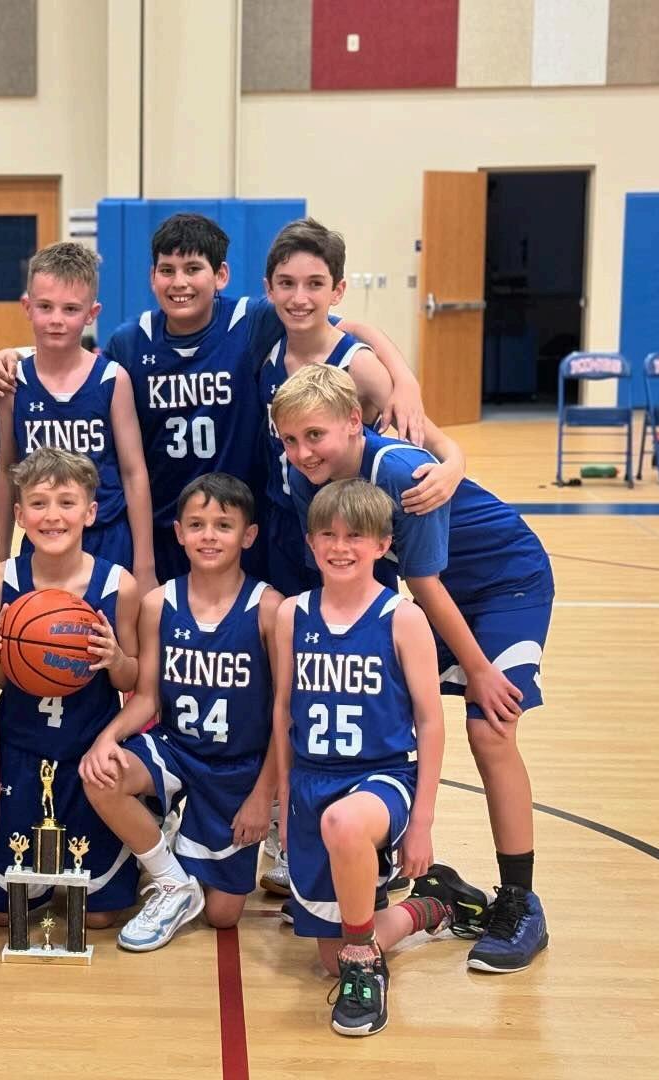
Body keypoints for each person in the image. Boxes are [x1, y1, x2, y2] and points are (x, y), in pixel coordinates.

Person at [274, 364, 554, 973]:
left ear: (354, 423)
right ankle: (413, 885)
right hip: (433, 597)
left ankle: (519, 901)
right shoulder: (305, 476)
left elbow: (423, 582)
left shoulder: (401, 473)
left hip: (501, 583)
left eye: (314, 436)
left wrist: (478, 670)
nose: (302, 452)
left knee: (490, 727)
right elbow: (370, 575)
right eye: (290, 440)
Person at [0, 212, 428, 582]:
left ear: (221, 275)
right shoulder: (130, 342)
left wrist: (405, 380)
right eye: (167, 270)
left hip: (242, 522)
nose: (180, 282)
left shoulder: (250, 320)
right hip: (163, 524)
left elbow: (339, 326)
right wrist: (12, 357)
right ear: (152, 277)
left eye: (193, 269)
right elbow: (75, 373)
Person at [255, 217, 466, 895]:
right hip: (313, 532)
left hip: (392, 527)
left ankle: (382, 818)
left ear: (336, 288)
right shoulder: (265, 342)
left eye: (315, 284)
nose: (299, 296)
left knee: (378, 667)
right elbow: (354, 324)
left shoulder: (359, 376)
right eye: (286, 284)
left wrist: (453, 460)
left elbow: (421, 436)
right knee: (306, 683)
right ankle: (306, 828)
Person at [272, 478, 486, 1036]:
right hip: (311, 781)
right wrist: (282, 800)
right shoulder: (292, 615)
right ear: (310, 542)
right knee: (329, 959)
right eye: (328, 535)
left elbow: (430, 721)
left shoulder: (402, 618)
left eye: (355, 536)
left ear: (383, 544)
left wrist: (423, 822)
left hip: (381, 778)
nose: (340, 547)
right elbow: (282, 712)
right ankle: (430, 907)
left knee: (344, 824)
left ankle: (366, 968)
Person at [80, 474, 280, 951]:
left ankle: (180, 841)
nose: (209, 535)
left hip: (237, 766)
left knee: (223, 915)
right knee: (101, 775)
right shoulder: (158, 604)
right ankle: (171, 880)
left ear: (248, 535)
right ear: (179, 532)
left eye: (223, 525)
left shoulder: (269, 608)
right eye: (196, 524)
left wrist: (263, 796)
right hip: (175, 749)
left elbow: (284, 713)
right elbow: (147, 698)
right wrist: (107, 738)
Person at [0, 448, 141, 926]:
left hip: (87, 751)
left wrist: (115, 659)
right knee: (1, 915)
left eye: (67, 503)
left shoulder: (118, 585)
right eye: (39, 503)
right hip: (21, 748)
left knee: (97, 917)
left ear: (90, 512)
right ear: (19, 514)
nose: (52, 516)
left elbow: (131, 679)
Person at [0, 242, 154, 586]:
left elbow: (133, 472)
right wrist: (1, 556)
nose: (56, 320)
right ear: (27, 307)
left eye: (70, 309)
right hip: (42, 536)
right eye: (45, 307)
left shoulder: (112, 380)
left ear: (92, 313)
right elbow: (7, 469)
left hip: (108, 536)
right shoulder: (13, 382)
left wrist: (145, 565)